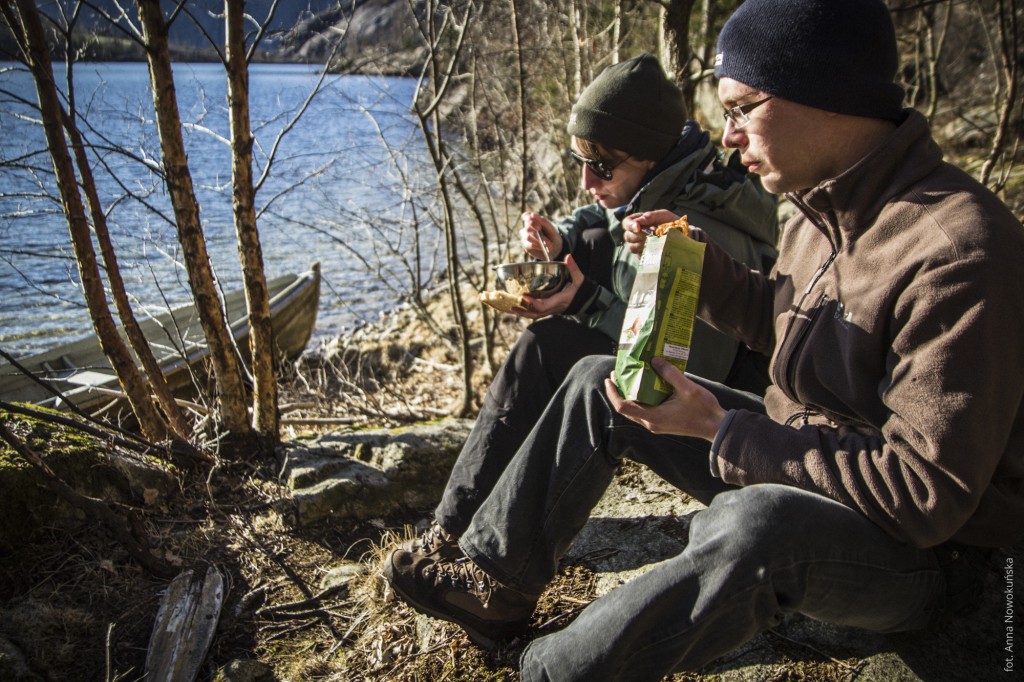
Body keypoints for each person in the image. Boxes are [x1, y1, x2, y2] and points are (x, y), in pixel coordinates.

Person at [382, 0, 1024, 679]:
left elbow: (922, 495)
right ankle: (494, 583)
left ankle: (548, 672)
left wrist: (722, 431)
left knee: (755, 528)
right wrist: (701, 269)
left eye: (741, 108)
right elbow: (792, 327)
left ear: (822, 94)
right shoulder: (821, 205)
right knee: (598, 381)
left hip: (932, 559)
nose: (727, 136)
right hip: (808, 452)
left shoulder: (959, 253)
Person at [408, 53, 778, 556]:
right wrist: (558, 241)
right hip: (706, 405)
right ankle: (465, 522)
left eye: (600, 165)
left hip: (728, 438)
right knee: (572, 285)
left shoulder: (702, 228)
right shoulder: (668, 183)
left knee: (550, 343)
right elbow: (600, 219)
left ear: (649, 154)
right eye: (581, 162)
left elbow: (687, 369)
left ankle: (453, 536)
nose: (587, 181)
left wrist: (584, 301)